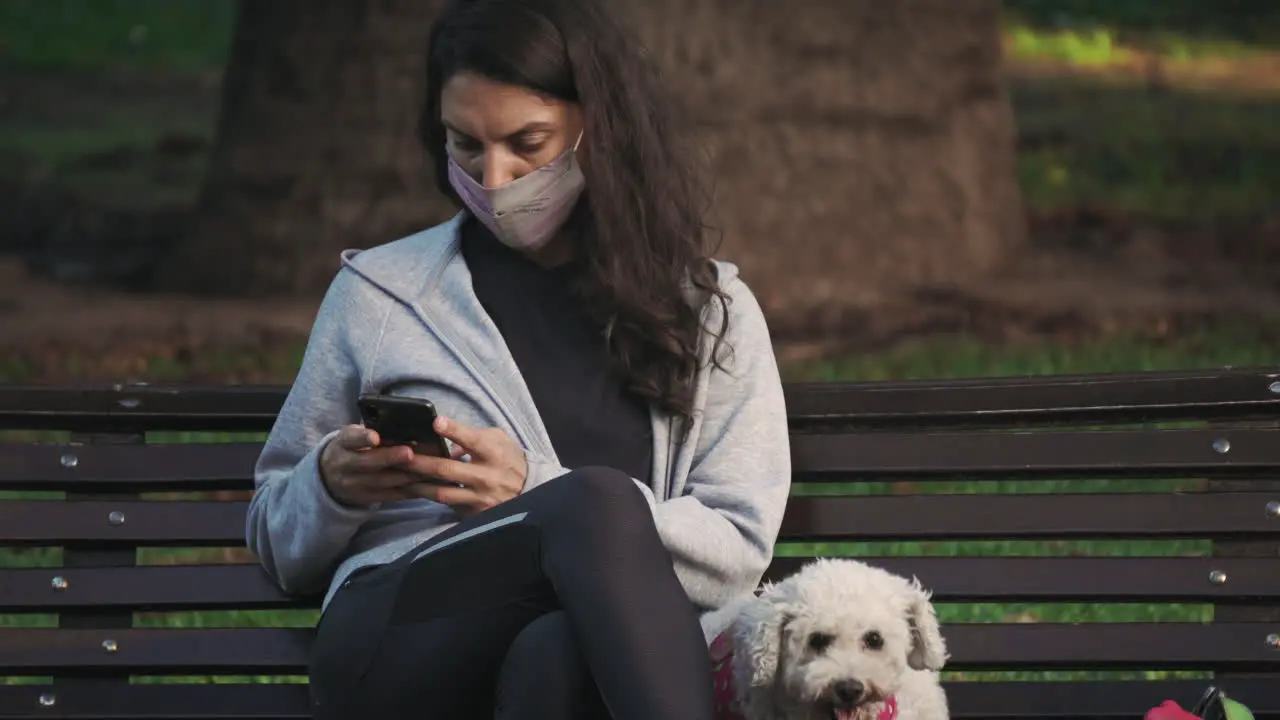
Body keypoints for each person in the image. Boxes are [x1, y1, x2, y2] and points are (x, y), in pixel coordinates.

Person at [244, 0, 791, 717]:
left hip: (591, 656)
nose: (495, 179)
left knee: (558, 646)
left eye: (527, 142)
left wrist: (533, 489)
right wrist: (330, 485)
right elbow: (274, 540)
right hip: (398, 642)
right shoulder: (382, 295)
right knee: (595, 502)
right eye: (465, 144)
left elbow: (737, 549)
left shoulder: (706, 312)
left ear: (601, 130)